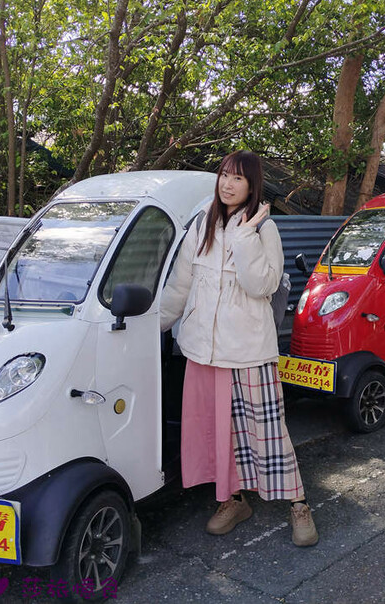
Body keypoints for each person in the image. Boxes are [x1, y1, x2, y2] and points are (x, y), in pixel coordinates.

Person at [160, 150, 318, 547]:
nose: (228, 184)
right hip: (202, 350)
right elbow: (179, 285)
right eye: (224, 175)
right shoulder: (202, 223)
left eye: (238, 178)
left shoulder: (264, 228)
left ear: (252, 186)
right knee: (215, 431)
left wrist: (245, 236)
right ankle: (232, 500)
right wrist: (148, 328)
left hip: (248, 349)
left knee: (267, 430)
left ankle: (298, 504)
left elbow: (262, 285)